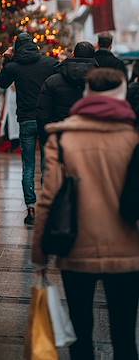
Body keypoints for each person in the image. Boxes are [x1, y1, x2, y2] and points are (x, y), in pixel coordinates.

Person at [32, 68, 139, 360]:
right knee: (125, 336)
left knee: (80, 335)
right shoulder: (134, 137)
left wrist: (40, 254)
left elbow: (48, 198)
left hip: (76, 248)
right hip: (128, 251)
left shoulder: (64, 137)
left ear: (86, 93)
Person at [0, 32, 56, 225]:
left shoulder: (14, 66)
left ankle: (31, 208)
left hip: (26, 120)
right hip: (46, 119)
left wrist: (6, 60)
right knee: (47, 164)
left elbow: (2, 83)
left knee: (28, 166)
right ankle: (46, 207)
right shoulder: (48, 63)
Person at [37, 41, 96, 136]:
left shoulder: (52, 81)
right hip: (90, 135)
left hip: (61, 133)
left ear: (73, 55)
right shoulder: (101, 82)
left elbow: (43, 113)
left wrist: (47, 137)